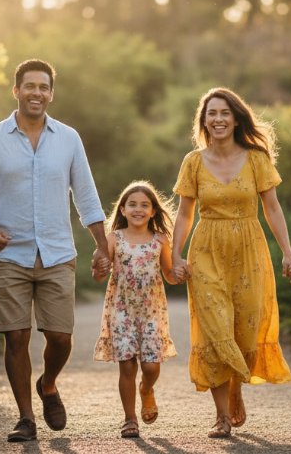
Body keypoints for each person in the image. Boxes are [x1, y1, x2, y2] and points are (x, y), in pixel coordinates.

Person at [0, 59, 111, 442]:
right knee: (16, 338)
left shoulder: (68, 139)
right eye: (30, 86)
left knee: (60, 337)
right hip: (9, 255)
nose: (37, 93)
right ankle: (26, 418)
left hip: (57, 254)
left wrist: (103, 247)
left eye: (44, 87)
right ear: (16, 90)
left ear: (51, 93)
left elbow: (87, 196)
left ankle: (47, 383)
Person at [170, 87, 291, 439]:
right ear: (203, 120)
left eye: (225, 112)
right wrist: (175, 256)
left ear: (237, 117)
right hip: (207, 250)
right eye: (211, 113)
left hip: (249, 251)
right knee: (215, 330)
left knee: (244, 328)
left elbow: (272, 208)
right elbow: (184, 214)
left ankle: (236, 386)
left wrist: (288, 253)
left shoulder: (256, 158)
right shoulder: (193, 162)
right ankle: (221, 416)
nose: (218, 119)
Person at [92, 181, 187, 439]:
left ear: (153, 211)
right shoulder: (114, 239)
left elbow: (169, 275)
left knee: (152, 367)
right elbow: (100, 276)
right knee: (126, 367)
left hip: (152, 313)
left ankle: (147, 389)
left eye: (145, 205)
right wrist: (98, 268)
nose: (138, 209)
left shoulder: (160, 241)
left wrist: (180, 272)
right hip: (121, 311)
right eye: (132, 204)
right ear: (122, 209)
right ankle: (129, 419)